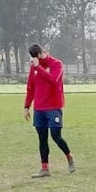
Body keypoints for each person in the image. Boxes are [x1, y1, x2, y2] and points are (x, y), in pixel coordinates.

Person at [23, 44, 75, 178]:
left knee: (56, 135)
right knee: (42, 138)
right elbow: (31, 87)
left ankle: (69, 156)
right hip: (39, 108)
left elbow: (53, 80)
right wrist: (26, 107)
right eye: (35, 57)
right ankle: (44, 168)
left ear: (44, 52)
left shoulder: (56, 64)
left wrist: (38, 67)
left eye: (39, 55)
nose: (38, 59)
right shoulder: (34, 67)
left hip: (53, 106)